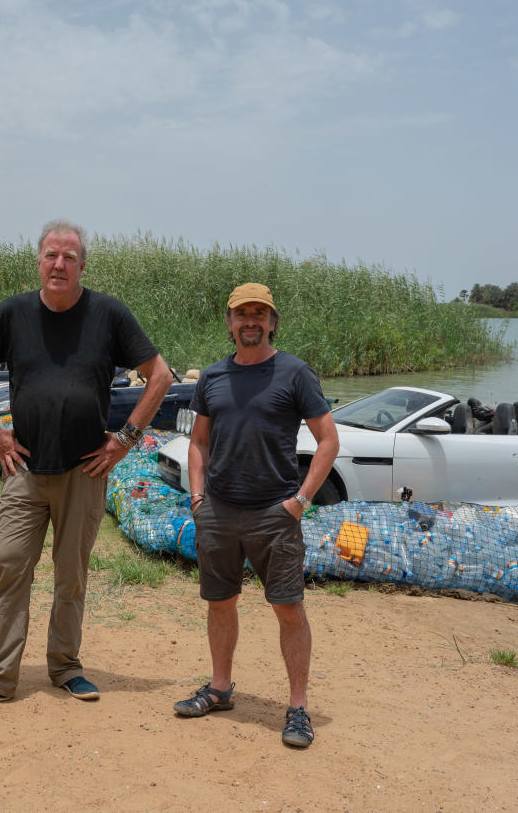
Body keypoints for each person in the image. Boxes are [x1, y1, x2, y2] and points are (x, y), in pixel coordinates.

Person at [0, 219, 172, 711]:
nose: (59, 264)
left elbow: (159, 375)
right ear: (39, 261)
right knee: (10, 566)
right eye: (51, 255)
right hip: (24, 469)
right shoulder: (13, 314)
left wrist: (126, 439)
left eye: (69, 257)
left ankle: (66, 667)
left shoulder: (109, 314)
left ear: (82, 266)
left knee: (71, 574)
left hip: (84, 471)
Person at [171, 282, 339, 748]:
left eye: (259, 314)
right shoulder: (211, 377)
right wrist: (198, 498)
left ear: (272, 322)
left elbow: (328, 440)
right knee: (220, 603)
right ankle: (220, 688)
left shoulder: (295, 373)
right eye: (241, 313)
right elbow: (199, 441)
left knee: (288, 608)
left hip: (275, 513)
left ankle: (298, 707)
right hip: (219, 511)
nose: (250, 321)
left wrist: (300, 501)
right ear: (229, 323)